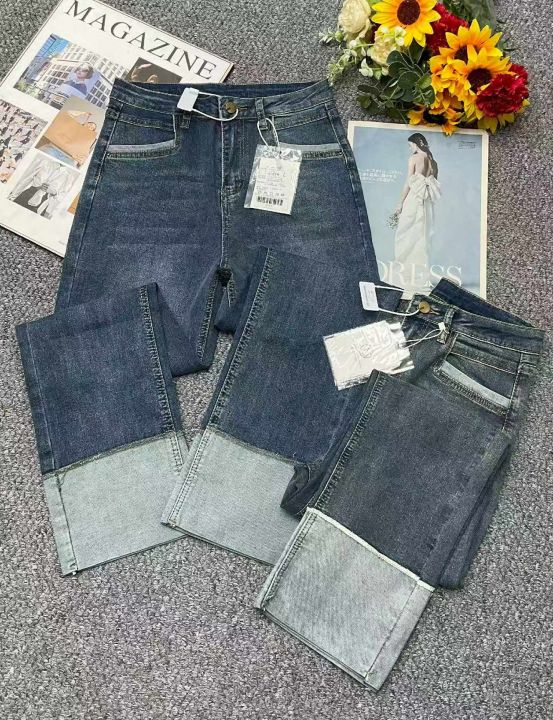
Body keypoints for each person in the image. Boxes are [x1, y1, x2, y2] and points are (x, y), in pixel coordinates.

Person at [393, 132, 441, 293]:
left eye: (410, 145)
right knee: (422, 236)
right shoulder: (432, 161)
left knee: (405, 234)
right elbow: (433, 182)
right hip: (426, 202)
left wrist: (400, 203)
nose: (410, 148)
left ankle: (405, 276)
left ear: (416, 144)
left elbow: (408, 183)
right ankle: (418, 276)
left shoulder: (414, 158)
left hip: (414, 199)